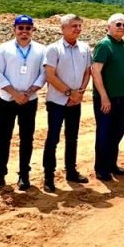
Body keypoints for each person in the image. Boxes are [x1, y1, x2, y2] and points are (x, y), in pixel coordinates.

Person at [0, 15, 46, 191]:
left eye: (28, 28)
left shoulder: (41, 50)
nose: (24, 31)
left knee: (27, 138)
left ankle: (24, 175)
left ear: (33, 30)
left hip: (29, 100)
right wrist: (15, 94)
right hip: (7, 100)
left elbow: (43, 74)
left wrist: (29, 93)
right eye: (21, 28)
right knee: (3, 138)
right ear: (14, 29)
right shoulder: (4, 49)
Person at [42, 14, 91, 192]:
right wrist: (70, 93)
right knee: (53, 138)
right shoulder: (53, 49)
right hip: (57, 102)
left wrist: (80, 93)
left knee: (72, 138)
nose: (77, 29)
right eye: (73, 26)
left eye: (79, 26)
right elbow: (50, 76)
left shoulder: (85, 48)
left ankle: (71, 171)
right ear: (63, 29)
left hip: (75, 102)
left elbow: (87, 72)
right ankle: (48, 176)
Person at [91, 13, 124, 182]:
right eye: (118, 24)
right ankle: (101, 168)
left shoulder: (122, 45)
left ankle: (111, 163)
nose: (121, 27)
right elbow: (95, 71)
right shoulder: (104, 45)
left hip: (121, 98)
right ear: (109, 26)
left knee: (118, 131)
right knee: (104, 133)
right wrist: (104, 97)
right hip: (107, 99)